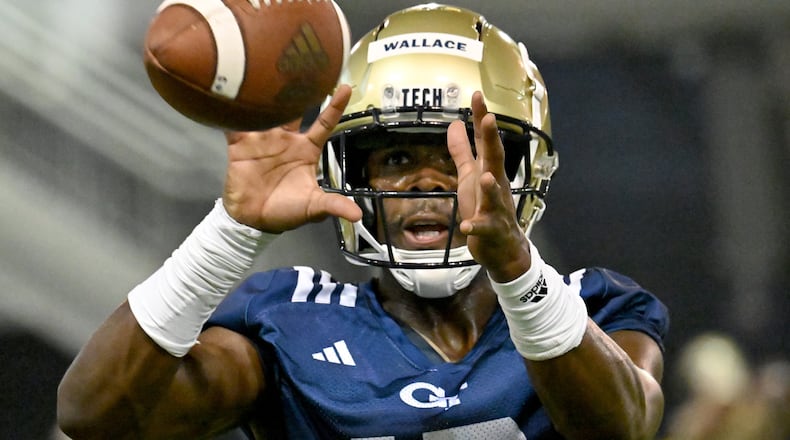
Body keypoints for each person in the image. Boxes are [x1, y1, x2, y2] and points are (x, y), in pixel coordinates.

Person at [57, 3, 669, 439]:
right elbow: (97, 416)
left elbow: (620, 425)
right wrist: (231, 232)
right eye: (397, 157)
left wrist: (518, 273)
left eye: (461, 154)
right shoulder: (288, 322)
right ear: (348, 171)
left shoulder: (592, 307)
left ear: (518, 171)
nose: (427, 182)